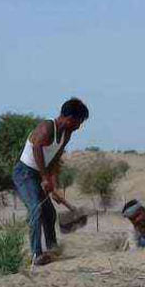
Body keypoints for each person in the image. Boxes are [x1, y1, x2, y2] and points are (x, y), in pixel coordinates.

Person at [12, 98, 89, 265]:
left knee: (50, 213)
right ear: (70, 118)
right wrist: (44, 177)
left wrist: (53, 184)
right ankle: (36, 254)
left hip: (40, 173)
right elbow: (36, 147)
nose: (79, 126)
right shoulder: (47, 127)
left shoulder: (66, 134)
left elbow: (55, 159)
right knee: (36, 209)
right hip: (24, 173)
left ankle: (52, 249)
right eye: (79, 122)